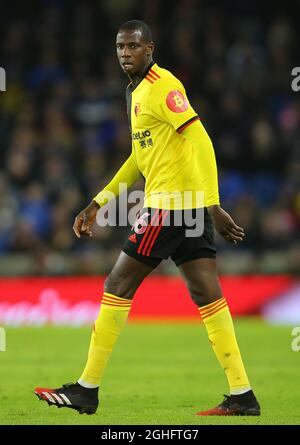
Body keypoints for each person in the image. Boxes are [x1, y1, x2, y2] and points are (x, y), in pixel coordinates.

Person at [34, 20, 260, 416]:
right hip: (181, 205)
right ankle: (242, 395)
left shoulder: (163, 86)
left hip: (171, 206)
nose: (125, 53)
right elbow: (140, 158)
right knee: (207, 295)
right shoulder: (134, 92)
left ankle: (87, 389)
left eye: (133, 47)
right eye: (120, 47)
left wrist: (214, 205)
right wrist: (97, 202)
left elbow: (200, 138)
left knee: (117, 284)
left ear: (150, 48)